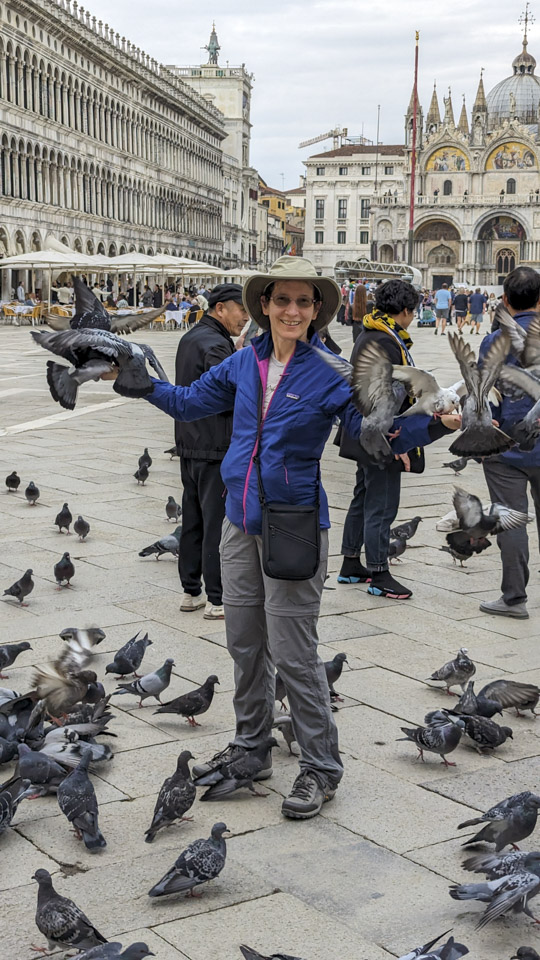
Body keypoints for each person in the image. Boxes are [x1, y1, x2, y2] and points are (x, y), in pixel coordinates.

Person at [100, 256, 451, 819]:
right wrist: (141, 384)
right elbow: (190, 404)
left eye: (303, 302)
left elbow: (375, 435)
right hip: (239, 523)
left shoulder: (333, 370)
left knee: (294, 651)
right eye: (281, 300)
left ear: (316, 311)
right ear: (264, 305)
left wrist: (436, 424)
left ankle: (320, 765)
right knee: (243, 641)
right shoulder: (244, 363)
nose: (292, 310)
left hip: (294, 524)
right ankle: (251, 747)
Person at [337, 279, 459, 599]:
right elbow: (389, 400)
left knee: (363, 496)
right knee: (381, 502)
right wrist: (399, 443)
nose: (412, 318)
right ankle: (379, 572)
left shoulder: (370, 333)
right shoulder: (387, 342)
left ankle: (351, 563)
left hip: (361, 431)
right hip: (380, 435)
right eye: (412, 312)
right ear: (405, 311)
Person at [173, 284, 247, 620]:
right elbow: (229, 389)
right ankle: (217, 598)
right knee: (215, 523)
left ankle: (191, 592)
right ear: (220, 308)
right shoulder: (217, 344)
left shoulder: (191, 337)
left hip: (189, 442)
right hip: (215, 445)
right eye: (241, 310)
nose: (245, 317)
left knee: (192, 520)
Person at [478, 266, 540, 620]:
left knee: (512, 520)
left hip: (506, 448)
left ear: (504, 300)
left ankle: (514, 598)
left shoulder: (494, 340)